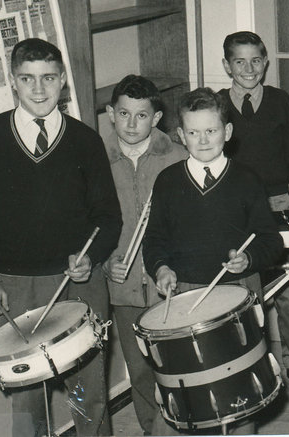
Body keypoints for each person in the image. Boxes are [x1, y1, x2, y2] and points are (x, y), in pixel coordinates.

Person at [0, 38, 121, 436]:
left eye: (48, 78)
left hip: (79, 283)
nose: (38, 89)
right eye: (27, 78)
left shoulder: (85, 139)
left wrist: (92, 257)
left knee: (89, 395)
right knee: (27, 401)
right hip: (16, 285)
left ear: (63, 80)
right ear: (13, 81)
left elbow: (108, 217)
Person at [141, 87, 283, 434]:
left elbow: (271, 242)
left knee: (241, 397)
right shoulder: (167, 181)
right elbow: (154, 239)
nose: (203, 140)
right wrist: (160, 267)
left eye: (211, 130)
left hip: (238, 293)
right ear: (181, 135)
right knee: (187, 394)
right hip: (185, 295)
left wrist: (249, 258)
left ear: (227, 132)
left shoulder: (247, 180)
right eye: (193, 132)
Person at [218, 30, 289, 389]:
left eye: (256, 60)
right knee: (242, 289)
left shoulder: (279, 100)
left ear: (266, 63)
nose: (249, 69)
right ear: (226, 65)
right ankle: (246, 361)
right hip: (234, 209)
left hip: (277, 204)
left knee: (287, 287)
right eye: (239, 61)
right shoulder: (217, 104)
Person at [101, 74, 186, 436]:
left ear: (156, 117)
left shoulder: (179, 157)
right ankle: (152, 431)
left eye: (141, 115)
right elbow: (90, 225)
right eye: (124, 114)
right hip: (124, 290)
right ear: (111, 114)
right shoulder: (96, 161)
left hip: (173, 285)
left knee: (178, 369)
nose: (132, 123)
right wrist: (107, 261)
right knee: (139, 371)